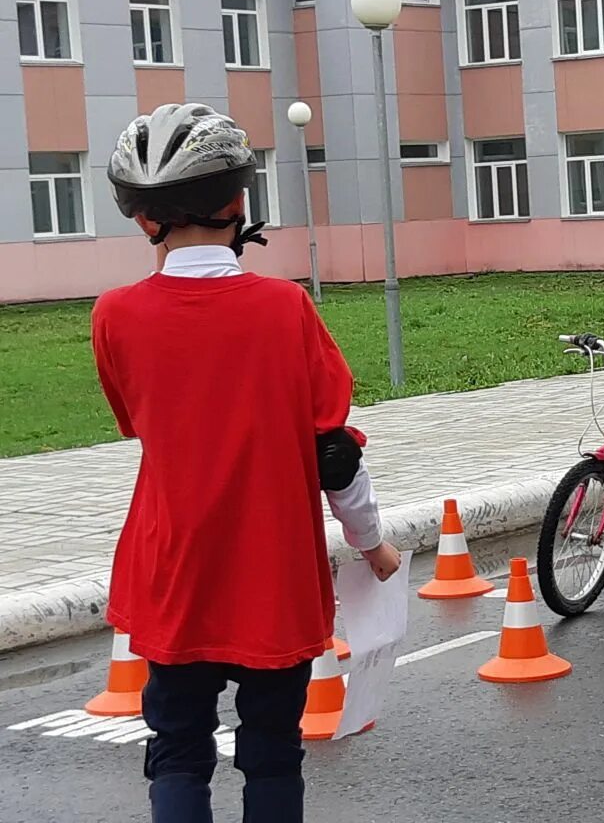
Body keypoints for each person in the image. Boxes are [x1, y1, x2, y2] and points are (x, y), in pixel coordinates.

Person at [92, 103, 402, 823]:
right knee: (270, 751)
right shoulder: (285, 310)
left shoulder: (115, 315)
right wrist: (372, 544)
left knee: (177, 751)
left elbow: (140, 424)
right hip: (272, 575)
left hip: (174, 573)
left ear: (142, 218)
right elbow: (334, 455)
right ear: (240, 202)